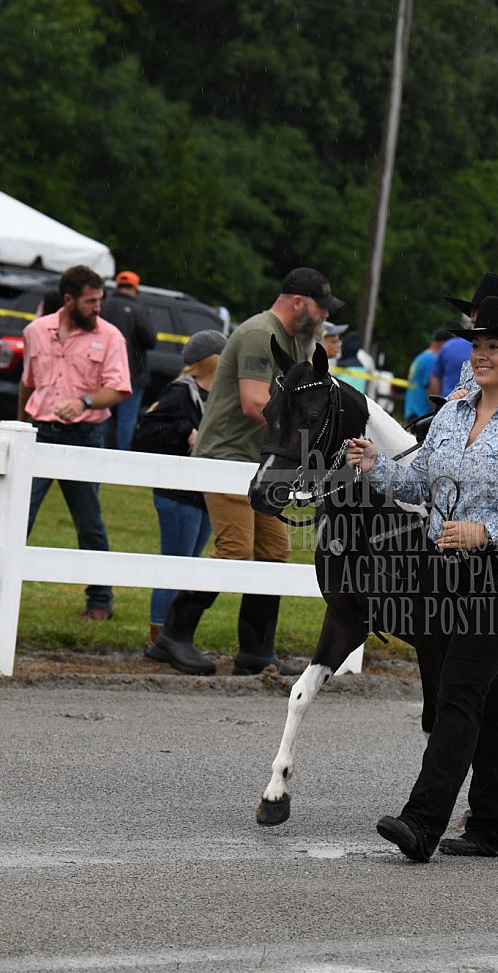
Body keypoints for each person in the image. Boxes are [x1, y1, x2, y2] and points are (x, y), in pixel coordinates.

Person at [345, 294, 498, 861]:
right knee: (485, 698)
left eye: (492, 346)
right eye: (475, 345)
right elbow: (419, 483)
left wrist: (485, 531)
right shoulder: (452, 414)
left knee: (459, 690)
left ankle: (422, 822)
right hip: (450, 576)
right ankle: (495, 830)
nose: (479, 355)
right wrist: (378, 468)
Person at [146, 267, 344, 678]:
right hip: (227, 455)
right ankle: (172, 636)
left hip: (263, 460)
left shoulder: (301, 343)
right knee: (235, 548)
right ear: (297, 303)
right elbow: (255, 403)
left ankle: (256, 652)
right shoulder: (258, 333)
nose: (325, 315)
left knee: (274, 551)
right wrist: (306, 448)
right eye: (321, 307)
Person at [0, 265, 132, 619]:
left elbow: (118, 389)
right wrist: (20, 426)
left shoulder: (111, 336)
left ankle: (100, 600)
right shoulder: (36, 331)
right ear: (68, 300)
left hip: (83, 437)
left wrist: (83, 402)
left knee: (89, 521)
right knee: (15, 514)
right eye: (90, 301)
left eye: (100, 300)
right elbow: (28, 381)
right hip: (37, 433)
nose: (98, 307)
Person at [134, 330, 226, 655]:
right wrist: (184, 432)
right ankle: (158, 638)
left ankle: (173, 637)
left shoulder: (218, 395)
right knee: (174, 565)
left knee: (188, 567)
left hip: (205, 496)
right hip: (178, 495)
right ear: (215, 360)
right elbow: (146, 433)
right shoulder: (180, 392)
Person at [102, 270, 157, 451]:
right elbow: (150, 341)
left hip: (103, 372)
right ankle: (122, 456)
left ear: (117, 286)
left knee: (101, 414)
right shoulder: (139, 310)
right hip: (132, 373)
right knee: (127, 420)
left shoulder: (102, 305)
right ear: (135, 288)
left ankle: (97, 451)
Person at [403, 324, 453, 422]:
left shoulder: (421, 357)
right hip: (422, 415)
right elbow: (431, 388)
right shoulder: (432, 360)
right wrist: (439, 413)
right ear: (444, 343)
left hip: (412, 411)